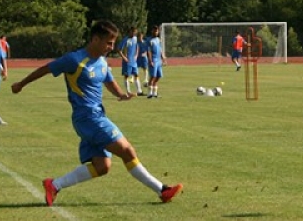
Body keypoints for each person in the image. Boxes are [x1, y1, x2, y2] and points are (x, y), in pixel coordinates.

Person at [10, 20, 183, 206]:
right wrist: (21, 84)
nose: (112, 47)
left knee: (102, 166)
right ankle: (162, 190)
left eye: (113, 42)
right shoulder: (74, 60)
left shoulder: (102, 61)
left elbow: (108, 81)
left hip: (94, 117)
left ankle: (54, 185)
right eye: (108, 42)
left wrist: (121, 95)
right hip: (88, 118)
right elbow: (46, 69)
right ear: (95, 39)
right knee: (127, 150)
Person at [118, 26, 144, 96]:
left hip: (134, 61)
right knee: (126, 76)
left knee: (136, 75)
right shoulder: (125, 39)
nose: (134, 34)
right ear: (130, 32)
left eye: (135, 32)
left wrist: (136, 55)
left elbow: (137, 46)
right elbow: (119, 50)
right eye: (133, 32)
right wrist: (124, 58)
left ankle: (139, 91)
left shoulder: (135, 38)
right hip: (127, 62)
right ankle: (128, 92)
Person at [146, 25, 166, 98]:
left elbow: (160, 49)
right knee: (152, 76)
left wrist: (162, 57)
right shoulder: (149, 40)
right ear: (152, 31)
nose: (155, 32)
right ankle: (149, 94)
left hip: (159, 60)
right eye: (154, 30)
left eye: (157, 31)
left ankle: (155, 93)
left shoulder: (158, 39)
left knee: (158, 76)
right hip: (153, 60)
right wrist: (150, 61)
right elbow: (148, 51)